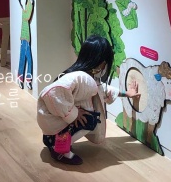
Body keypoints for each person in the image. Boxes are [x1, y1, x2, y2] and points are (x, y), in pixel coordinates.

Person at [37, 34, 140, 165]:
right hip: (52, 121)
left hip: (52, 121)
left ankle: (52, 138)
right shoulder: (80, 76)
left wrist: (127, 93)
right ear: (103, 63)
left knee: (88, 117)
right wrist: (74, 113)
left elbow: (101, 89)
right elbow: (52, 93)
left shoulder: (83, 76)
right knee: (90, 120)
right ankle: (58, 147)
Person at [16, 0, 35, 90]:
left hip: (25, 39)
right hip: (24, 39)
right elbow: (28, 16)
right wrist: (31, 2)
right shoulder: (24, 11)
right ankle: (25, 79)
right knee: (26, 59)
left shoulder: (25, 7)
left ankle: (23, 79)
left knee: (24, 58)